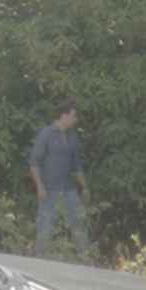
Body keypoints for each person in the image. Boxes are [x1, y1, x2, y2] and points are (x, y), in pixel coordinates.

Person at [31, 102, 92, 261]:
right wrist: (40, 188)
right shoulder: (45, 135)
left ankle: (85, 257)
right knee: (45, 227)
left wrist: (83, 186)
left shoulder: (72, 137)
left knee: (78, 224)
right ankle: (40, 259)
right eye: (73, 116)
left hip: (68, 189)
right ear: (64, 116)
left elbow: (76, 165)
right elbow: (34, 162)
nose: (75, 120)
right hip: (49, 190)